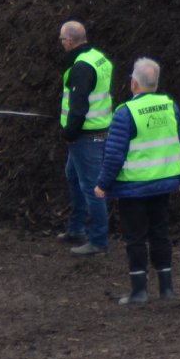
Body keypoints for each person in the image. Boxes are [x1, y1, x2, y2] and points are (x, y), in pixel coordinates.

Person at [94, 57, 180, 305]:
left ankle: (139, 291)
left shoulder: (126, 112)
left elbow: (114, 154)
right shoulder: (170, 106)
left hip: (134, 187)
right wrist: (178, 176)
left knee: (135, 237)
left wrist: (103, 184)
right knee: (160, 232)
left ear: (134, 83)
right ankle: (166, 288)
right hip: (163, 183)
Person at [59, 20, 114, 256]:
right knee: (73, 176)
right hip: (98, 131)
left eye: (62, 40)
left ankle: (99, 241)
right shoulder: (98, 57)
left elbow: (78, 107)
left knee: (92, 188)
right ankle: (76, 228)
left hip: (85, 136)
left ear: (70, 41)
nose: (61, 44)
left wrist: (69, 133)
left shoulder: (81, 67)